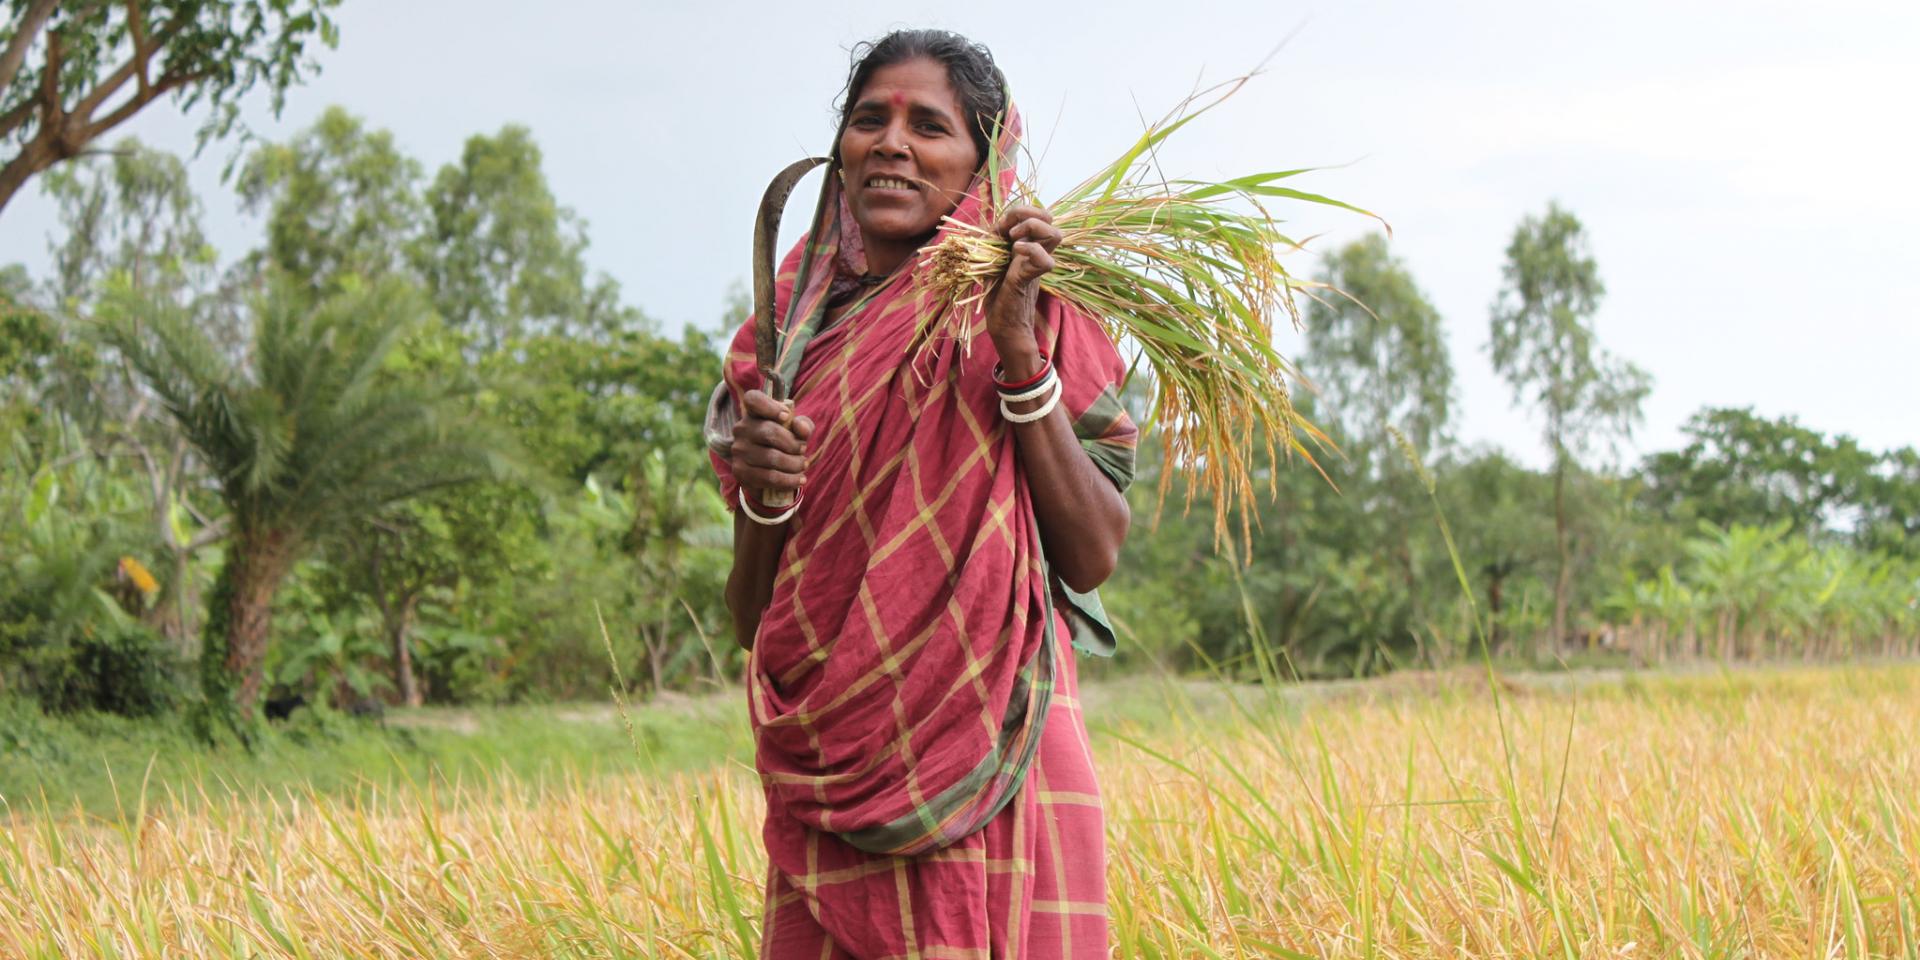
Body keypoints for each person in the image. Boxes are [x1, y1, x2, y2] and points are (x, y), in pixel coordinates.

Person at [707, 29, 1137, 959]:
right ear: (841, 151)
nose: (891, 143)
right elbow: (751, 615)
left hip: (1005, 737)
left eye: (929, 126)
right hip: (834, 759)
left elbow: (1094, 551)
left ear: (984, 164)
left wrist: (1018, 352)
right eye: (870, 120)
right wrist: (762, 495)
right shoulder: (782, 346)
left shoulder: (1043, 307)